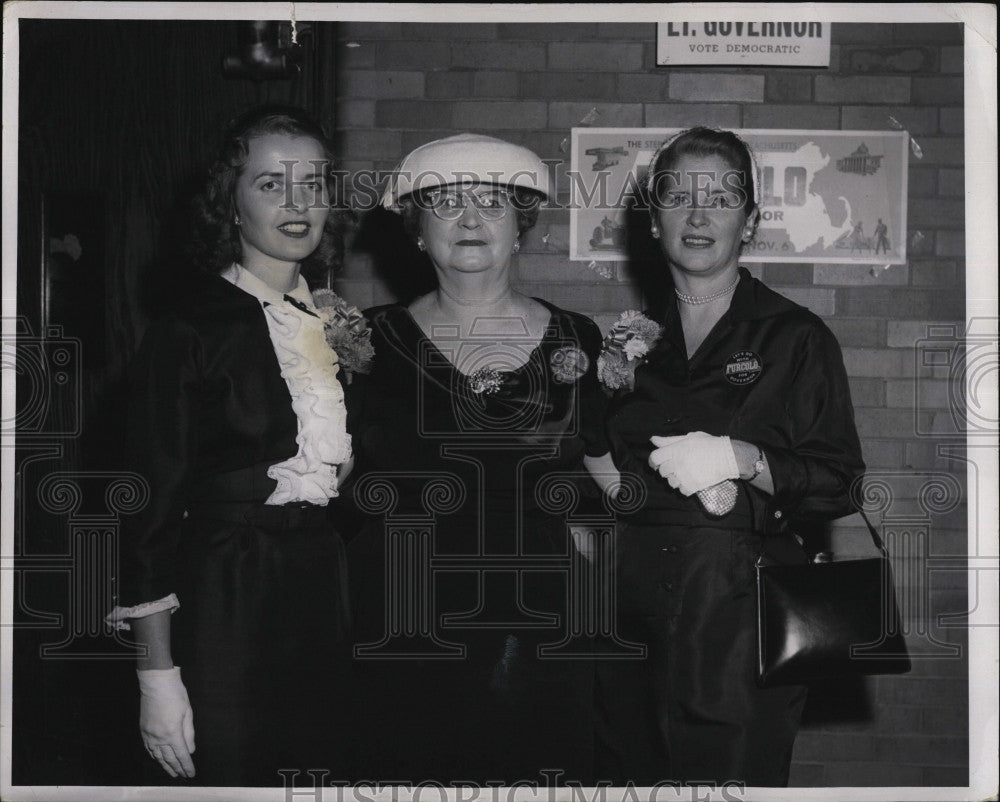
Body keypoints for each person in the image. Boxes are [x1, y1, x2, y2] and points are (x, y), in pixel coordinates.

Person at [595, 127, 865, 786]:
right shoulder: (629, 346)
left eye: (720, 197)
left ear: (750, 222)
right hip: (630, 625)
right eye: (677, 196)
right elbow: (604, 480)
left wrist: (744, 457)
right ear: (653, 219)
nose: (697, 215)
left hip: (742, 624)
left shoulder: (794, 337)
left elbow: (839, 483)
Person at [347, 133, 613, 784]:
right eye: (446, 204)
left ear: (519, 227)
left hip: (543, 621)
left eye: (492, 204)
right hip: (405, 621)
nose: (470, 220)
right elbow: (331, 476)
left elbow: (611, 472)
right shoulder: (367, 339)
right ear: (416, 230)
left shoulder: (577, 337)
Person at [106, 106, 354, 786]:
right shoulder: (187, 328)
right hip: (223, 596)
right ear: (231, 203)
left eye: (313, 183)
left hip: (319, 592)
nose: (299, 203)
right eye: (271, 184)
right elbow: (147, 513)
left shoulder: (336, 320)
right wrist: (156, 676)